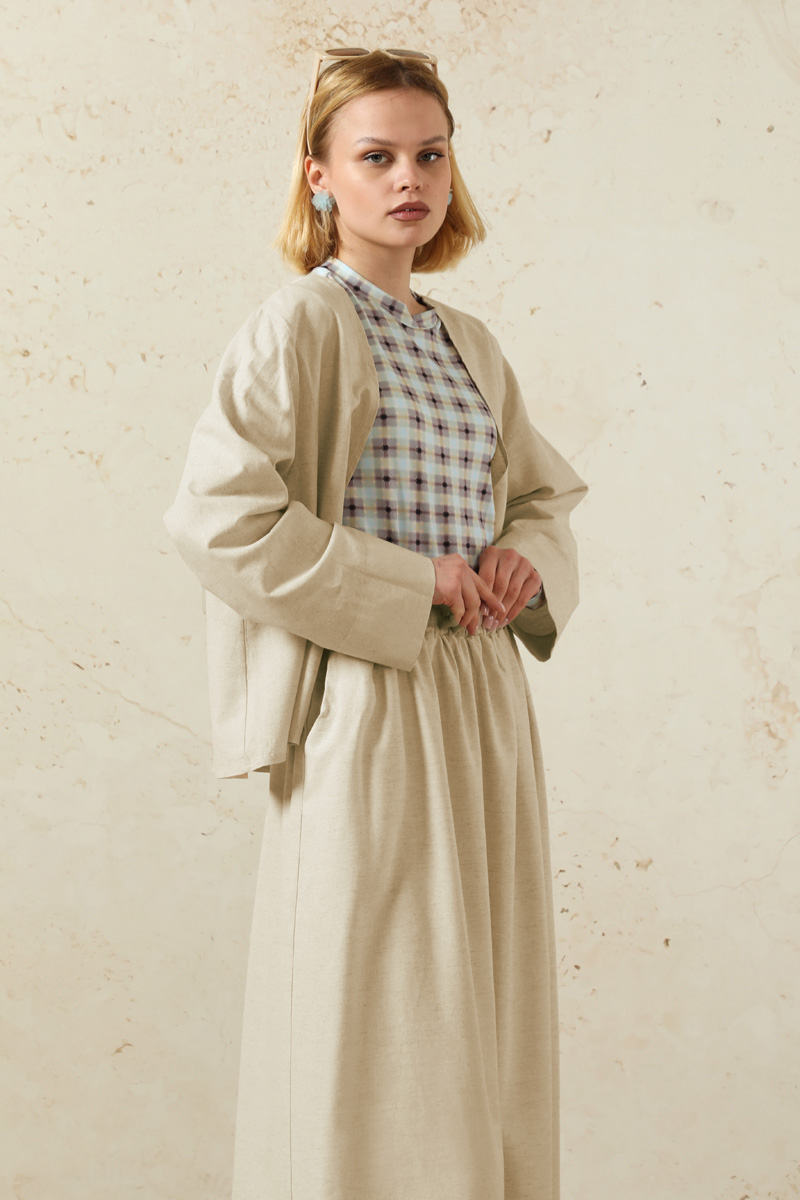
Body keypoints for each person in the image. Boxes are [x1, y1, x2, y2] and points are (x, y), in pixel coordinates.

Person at [163, 45, 588, 1200]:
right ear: (319, 177)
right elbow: (218, 516)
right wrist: (414, 585)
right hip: (366, 696)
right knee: (376, 1003)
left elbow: (540, 500)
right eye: (376, 156)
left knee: (483, 997)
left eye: (429, 155)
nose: (409, 179)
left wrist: (518, 560)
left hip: (482, 696)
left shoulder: (468, 344)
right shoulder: (301, 323)